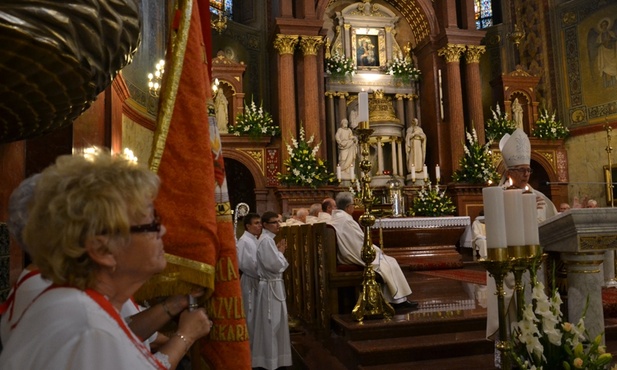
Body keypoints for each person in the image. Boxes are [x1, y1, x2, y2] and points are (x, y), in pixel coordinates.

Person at [0, 149, 212, 370]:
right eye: (151, 224)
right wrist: (184, 337)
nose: (164, 231)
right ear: (103, 250)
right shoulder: (87, 329)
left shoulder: (82, 309)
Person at [327, 192, 417, 312]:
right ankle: (398, 301)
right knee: (389, 262)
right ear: (348, 207)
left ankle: (395, 299)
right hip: (352, 255)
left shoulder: (337, 218)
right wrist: (378, 251)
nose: (354, 207)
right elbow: (361, 243)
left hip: (345, 254)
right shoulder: (346, 221)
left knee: (387, 262)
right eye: (353, 205)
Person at [252, 211, 292, 369]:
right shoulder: (266, 240)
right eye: (274, 222)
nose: (278, 225)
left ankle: (275, 359)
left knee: (274, 323)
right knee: (271, 324)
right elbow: (276, 266)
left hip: (272, 285)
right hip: (270, 286)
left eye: (278, 221)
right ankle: (270, 361)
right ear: (265, 225)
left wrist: (278, 254)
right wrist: (281, 253)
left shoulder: (267, 240)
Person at [235, 212, 261, 351]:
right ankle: (250, 351)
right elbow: (246, 264)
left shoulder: (254, 239)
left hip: (256, 280)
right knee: (250, 315)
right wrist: (262, 272)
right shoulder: (245, 241)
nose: (259, 226)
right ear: (247, 226)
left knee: (256, 315)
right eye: (256, 223)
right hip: (250, 281)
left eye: (260, 223)